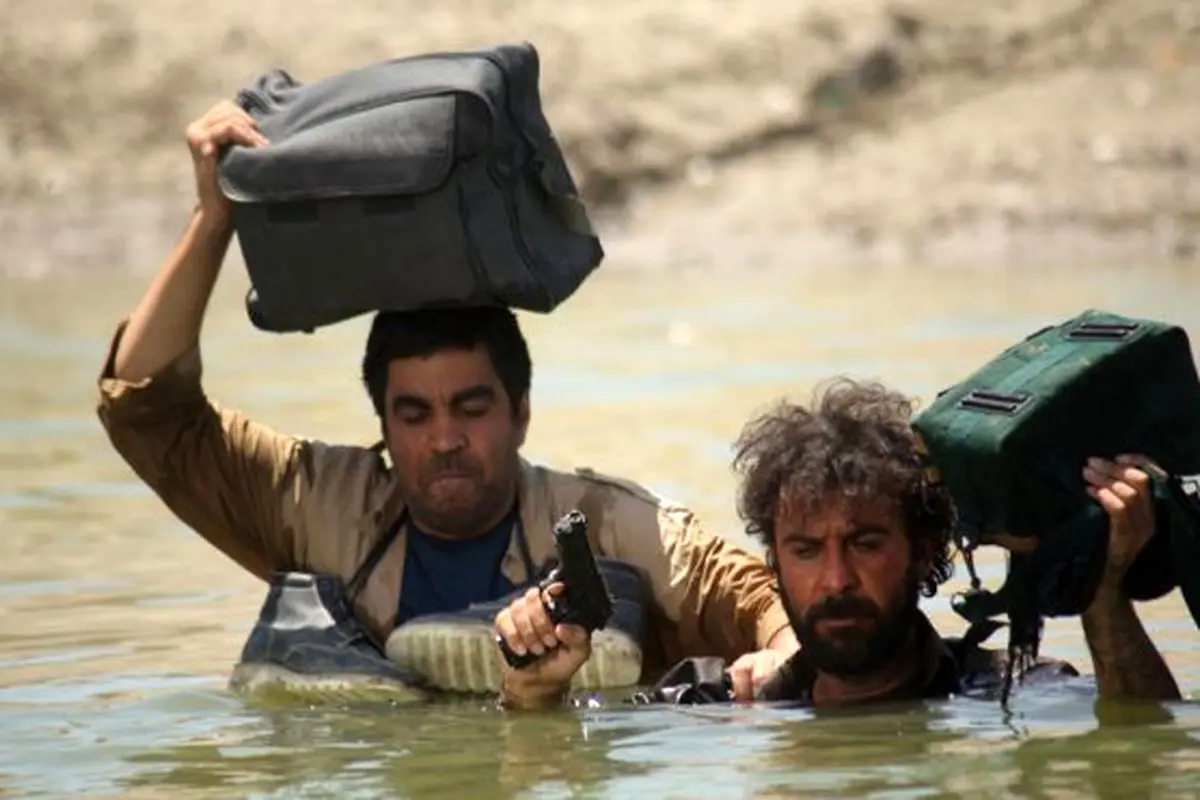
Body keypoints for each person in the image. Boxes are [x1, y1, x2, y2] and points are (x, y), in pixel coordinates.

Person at [95, 100, 797, 698]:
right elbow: (149, 415)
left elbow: (757, 595)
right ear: (382, 423)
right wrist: (213, 218)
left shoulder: (603, 522)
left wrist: (780, 657)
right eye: (414, 415)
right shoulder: (323, 506)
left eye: (471, 408)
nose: (444, 439)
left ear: (522, 413)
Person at [496, 378, 1183, 710]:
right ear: (774, 563)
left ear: (923, 551)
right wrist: (533, 693)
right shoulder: (710, 702)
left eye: (865, 543)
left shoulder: (1009, 691)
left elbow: (1142, 747)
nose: (835, 580)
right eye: (805, 550)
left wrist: (1104, 593)